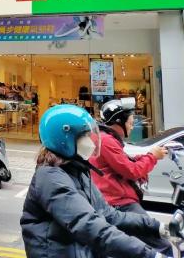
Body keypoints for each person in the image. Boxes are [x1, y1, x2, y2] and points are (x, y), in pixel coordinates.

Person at [21, 104, 169, 258]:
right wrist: (150, 255)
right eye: (84, 136)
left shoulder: (79, 172)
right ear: (65, 139)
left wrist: (157, 227)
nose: (91, 142)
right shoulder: (50, 178)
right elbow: (88, 224)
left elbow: (109, 214)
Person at [89, 97, 171, 254]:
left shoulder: (105, 138)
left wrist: (146, 156)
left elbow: (122, 162)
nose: (132, 127)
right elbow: (132, 171)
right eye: (130, 123)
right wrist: (152, 157)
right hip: (120, 204)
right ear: (118, 122)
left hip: (113, 201)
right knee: (162, 245)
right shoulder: (106, 141)